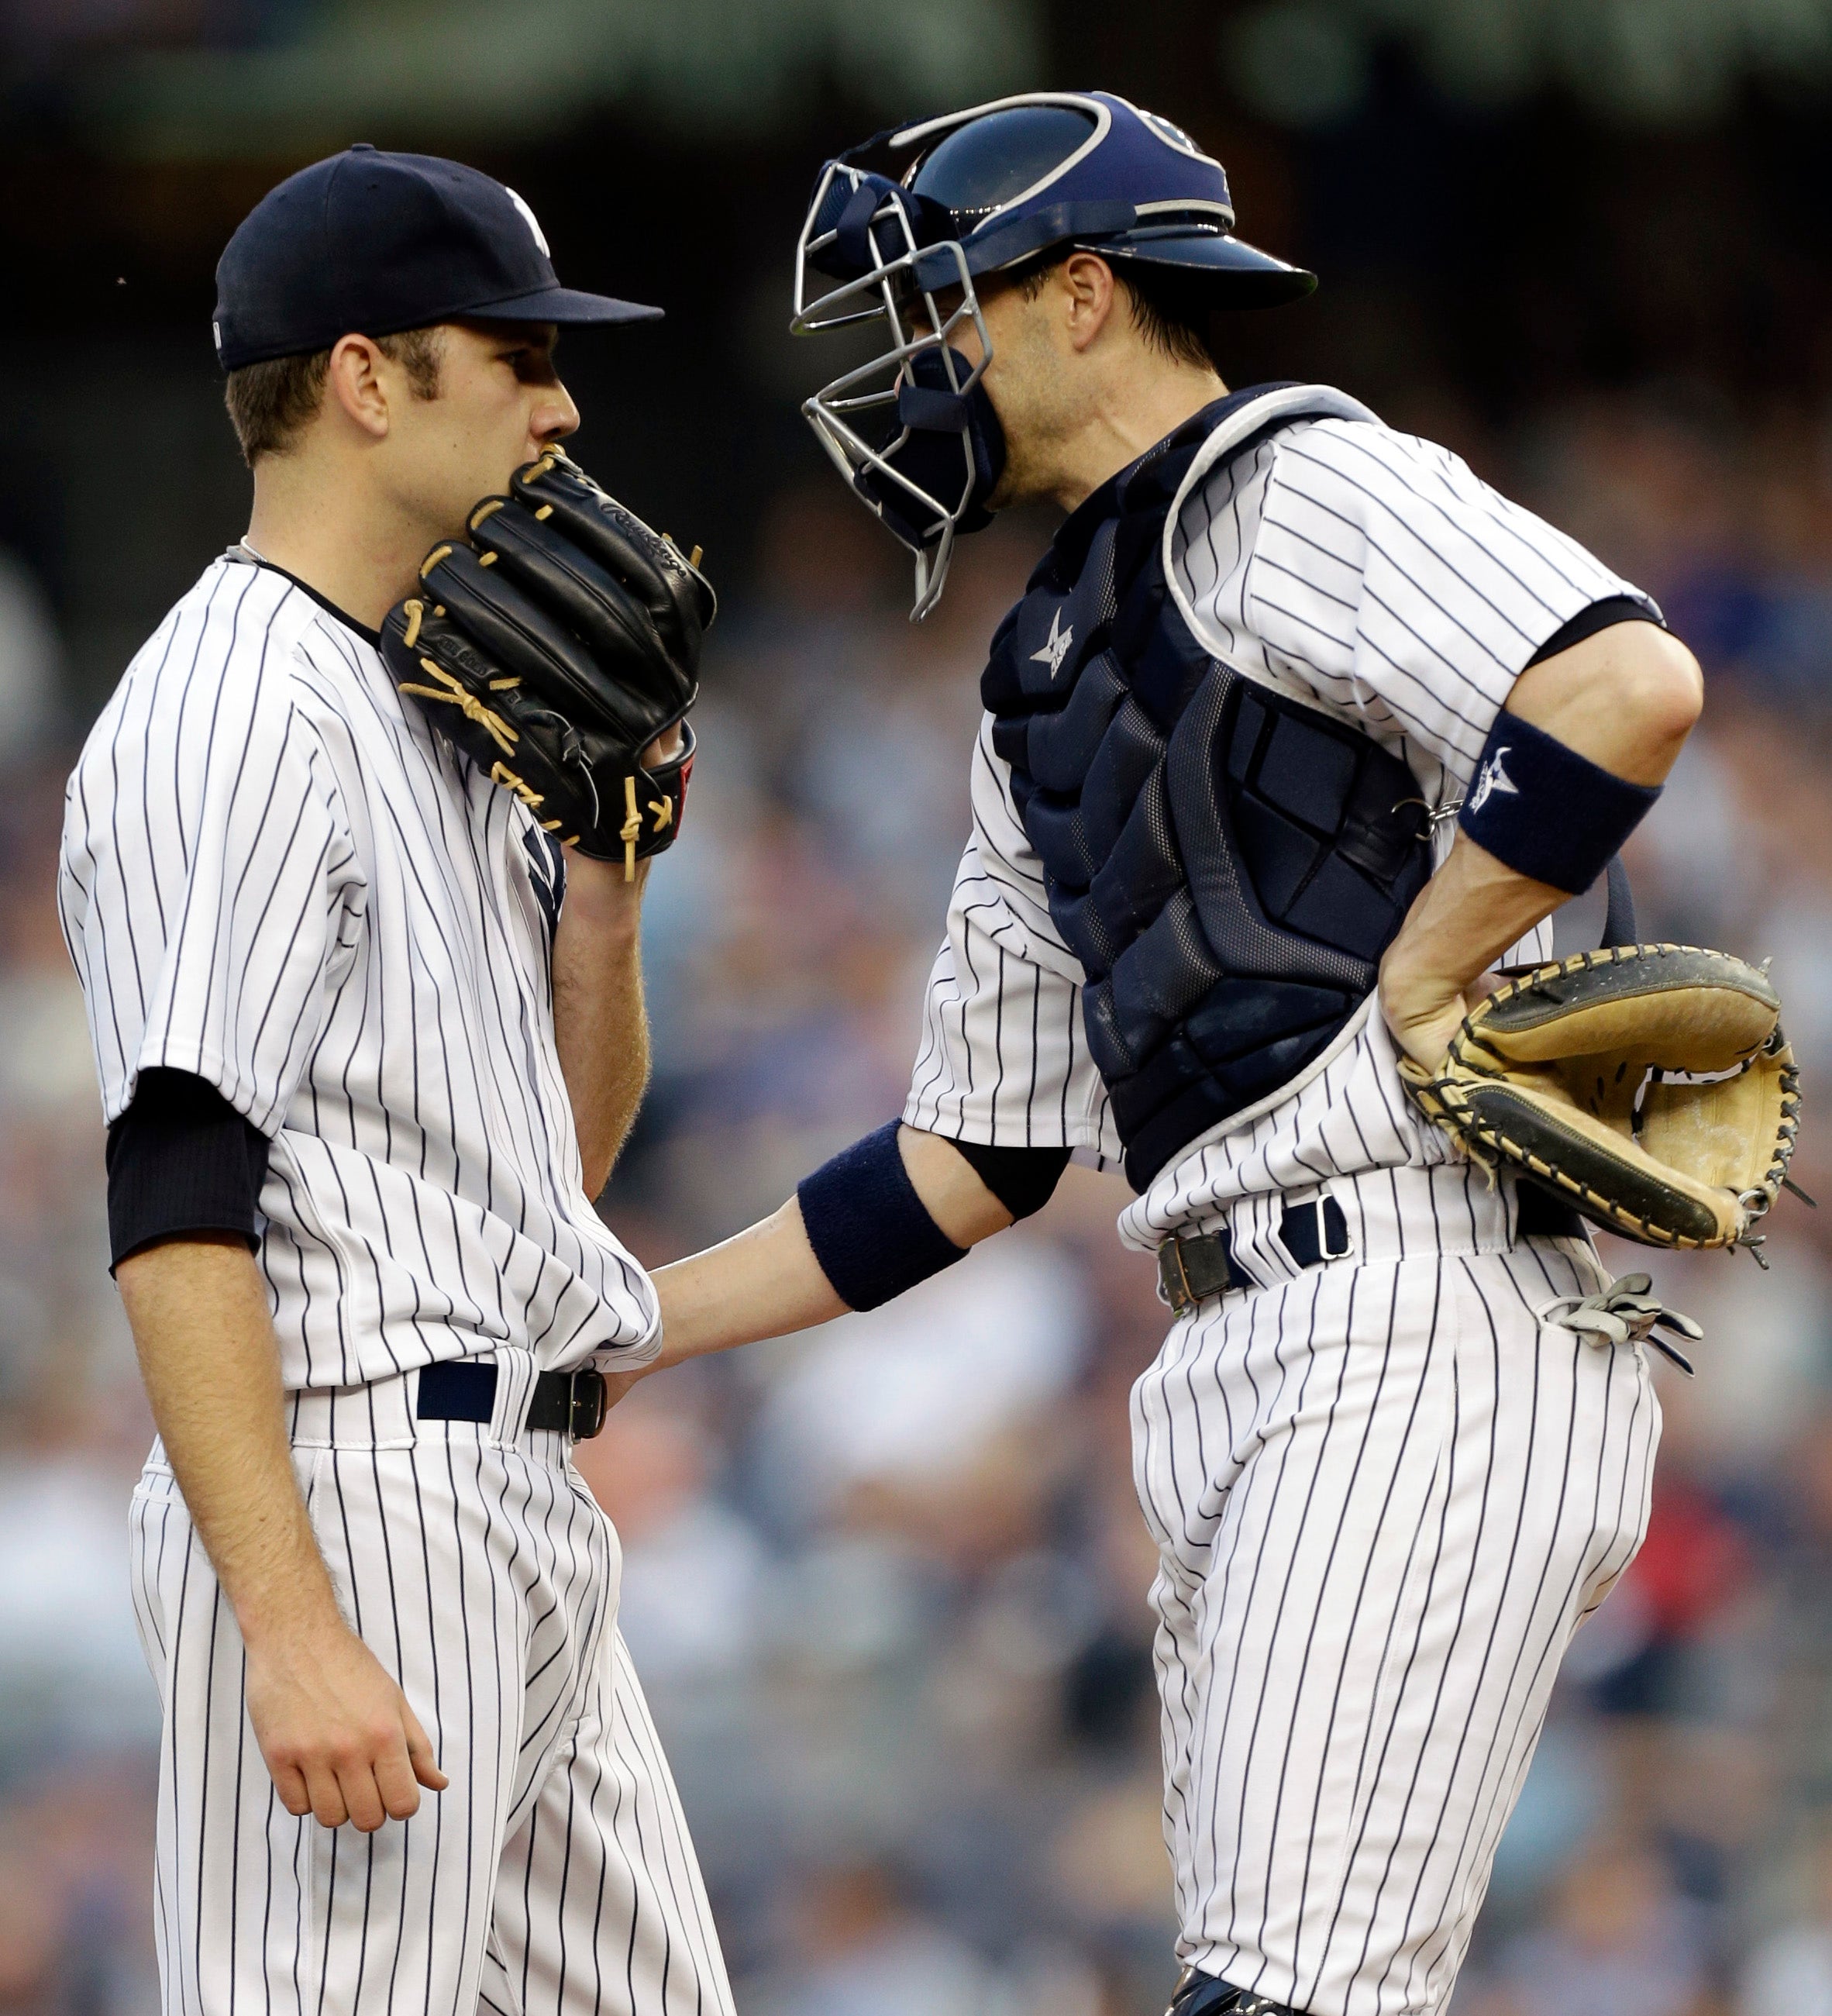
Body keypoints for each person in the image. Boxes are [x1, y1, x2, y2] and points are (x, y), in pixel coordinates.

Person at [628, 93, 1704, 2016]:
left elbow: (1623, 683)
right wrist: (629, 1323)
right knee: (1274, 1985)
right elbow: (971, 1158)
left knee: (1276, 1996)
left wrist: (1434, 962)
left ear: (1087, 294)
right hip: (1238, 1346)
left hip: (1425, 1302)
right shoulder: (1045, 662)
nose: (920, 364)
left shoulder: (1302, 487)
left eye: (947, 306)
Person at [58, 146, 732, 2015]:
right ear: (367, 378)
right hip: (355, 1483)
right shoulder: (230, 709)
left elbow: (553, 1168)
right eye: (512, 349)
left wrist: (606, 896)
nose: (561, 398)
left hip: (523, 1490)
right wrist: (285, 1624)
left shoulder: (453, 708)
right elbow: (177, 1194)